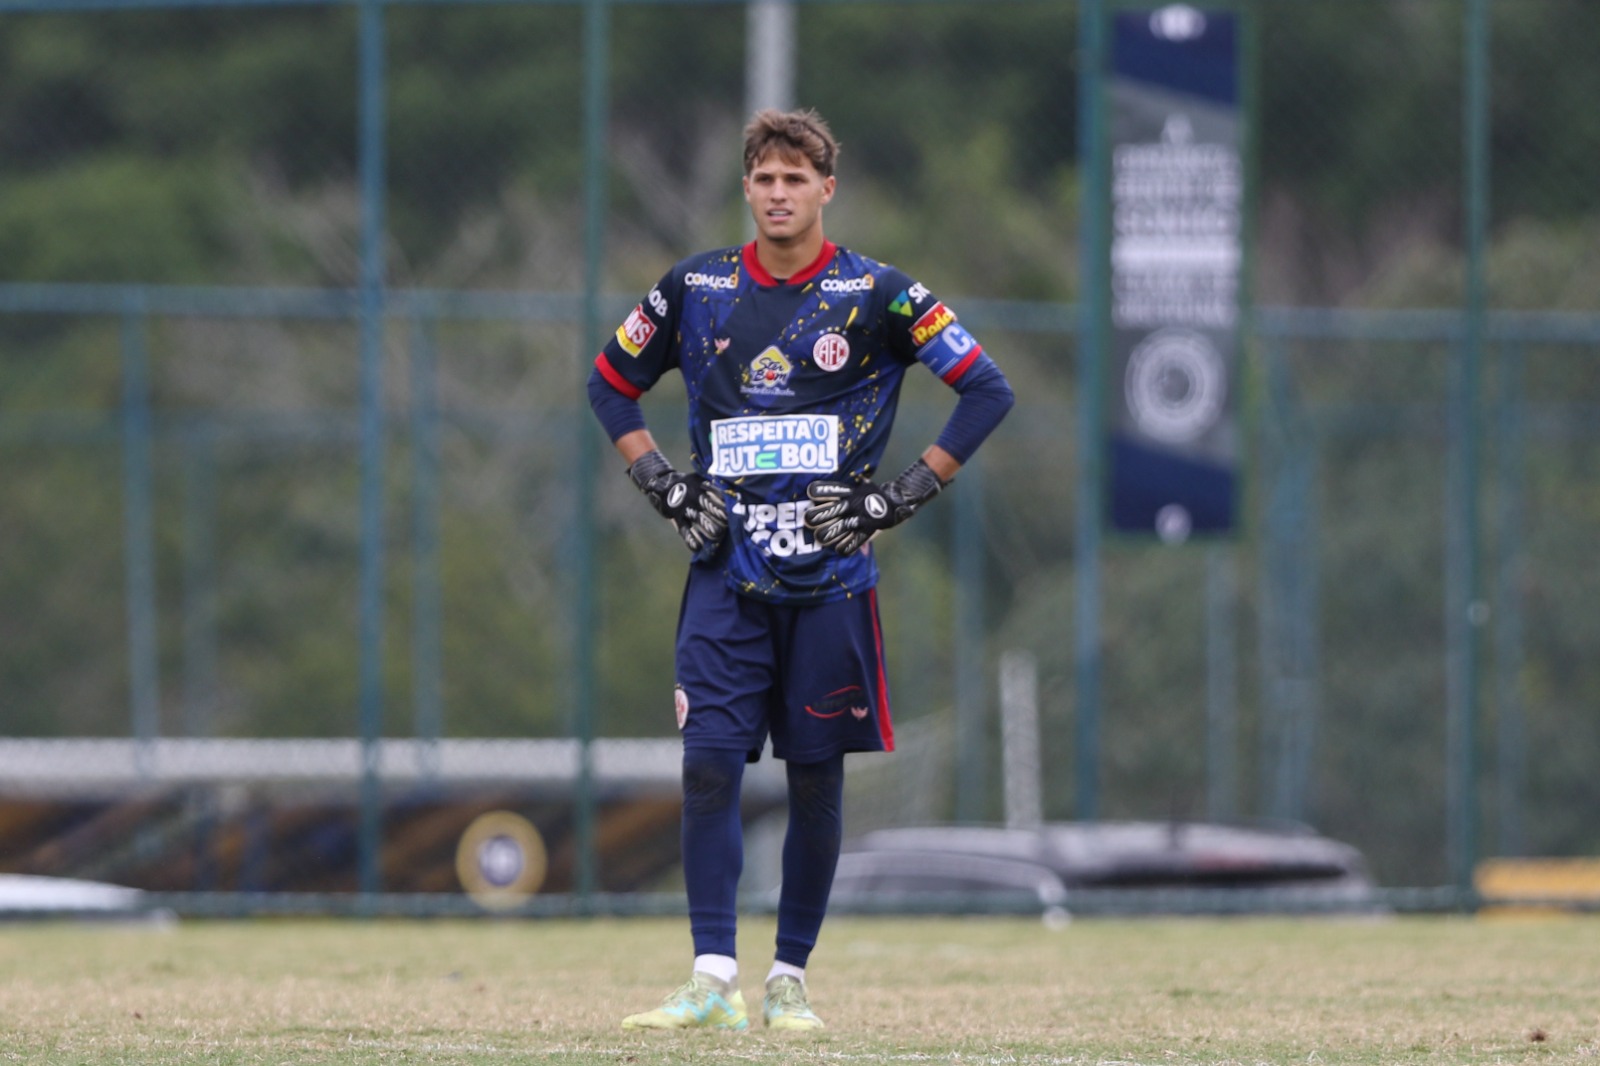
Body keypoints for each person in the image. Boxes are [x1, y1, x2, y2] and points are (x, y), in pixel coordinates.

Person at [588, 107, 1013, 1032]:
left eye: (796, 178)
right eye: (764, 178)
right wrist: (660, 480)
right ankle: (711, 979)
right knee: (708, 768)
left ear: (827, 188)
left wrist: (897, 497)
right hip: (723, 576)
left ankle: (789, 980)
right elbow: (607, 382)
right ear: (746, 188)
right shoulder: (694, 287)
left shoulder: (880, 294)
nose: (779, 193)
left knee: (817, 779)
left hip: (831, 585)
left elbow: (986, 389)